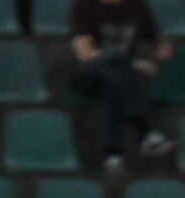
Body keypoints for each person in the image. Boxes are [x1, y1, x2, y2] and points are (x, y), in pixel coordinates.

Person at [68, 0, 175, 169]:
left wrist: (163, 46)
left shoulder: (137, 6)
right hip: (90, 76)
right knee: (118, 59)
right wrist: (131, 64)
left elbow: (157, 35)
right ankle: (142, 129)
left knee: (113, 80)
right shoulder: (85, 5)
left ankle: (113, 153)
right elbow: (85, 54)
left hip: (117, 78)